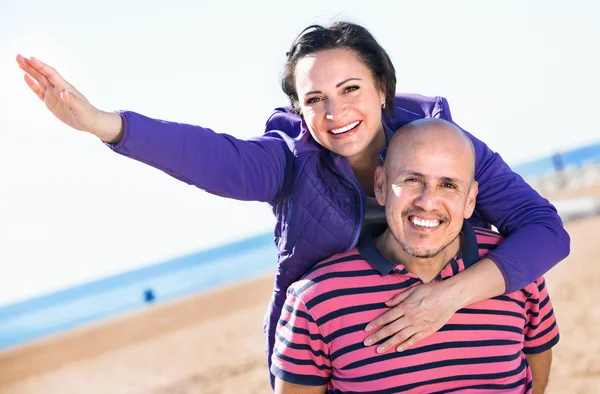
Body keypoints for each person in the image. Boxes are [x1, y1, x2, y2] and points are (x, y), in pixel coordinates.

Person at [16, 21, 569, 388]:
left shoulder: (442, 149)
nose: (336, 112)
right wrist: (102, 125)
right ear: (300, 111)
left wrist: (450, 296)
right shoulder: (289, 163)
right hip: (338, 340)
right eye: (315, 100)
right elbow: (211, 156)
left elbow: (546, 230)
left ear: (382, 88)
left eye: (351, 89)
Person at [272, 119, 559, 394]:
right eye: (412, 179)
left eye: (448, 185)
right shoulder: (315, 301)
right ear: (381, 185)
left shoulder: (518, 272)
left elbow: (537, 376)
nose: (427, 202)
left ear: (470, 199)